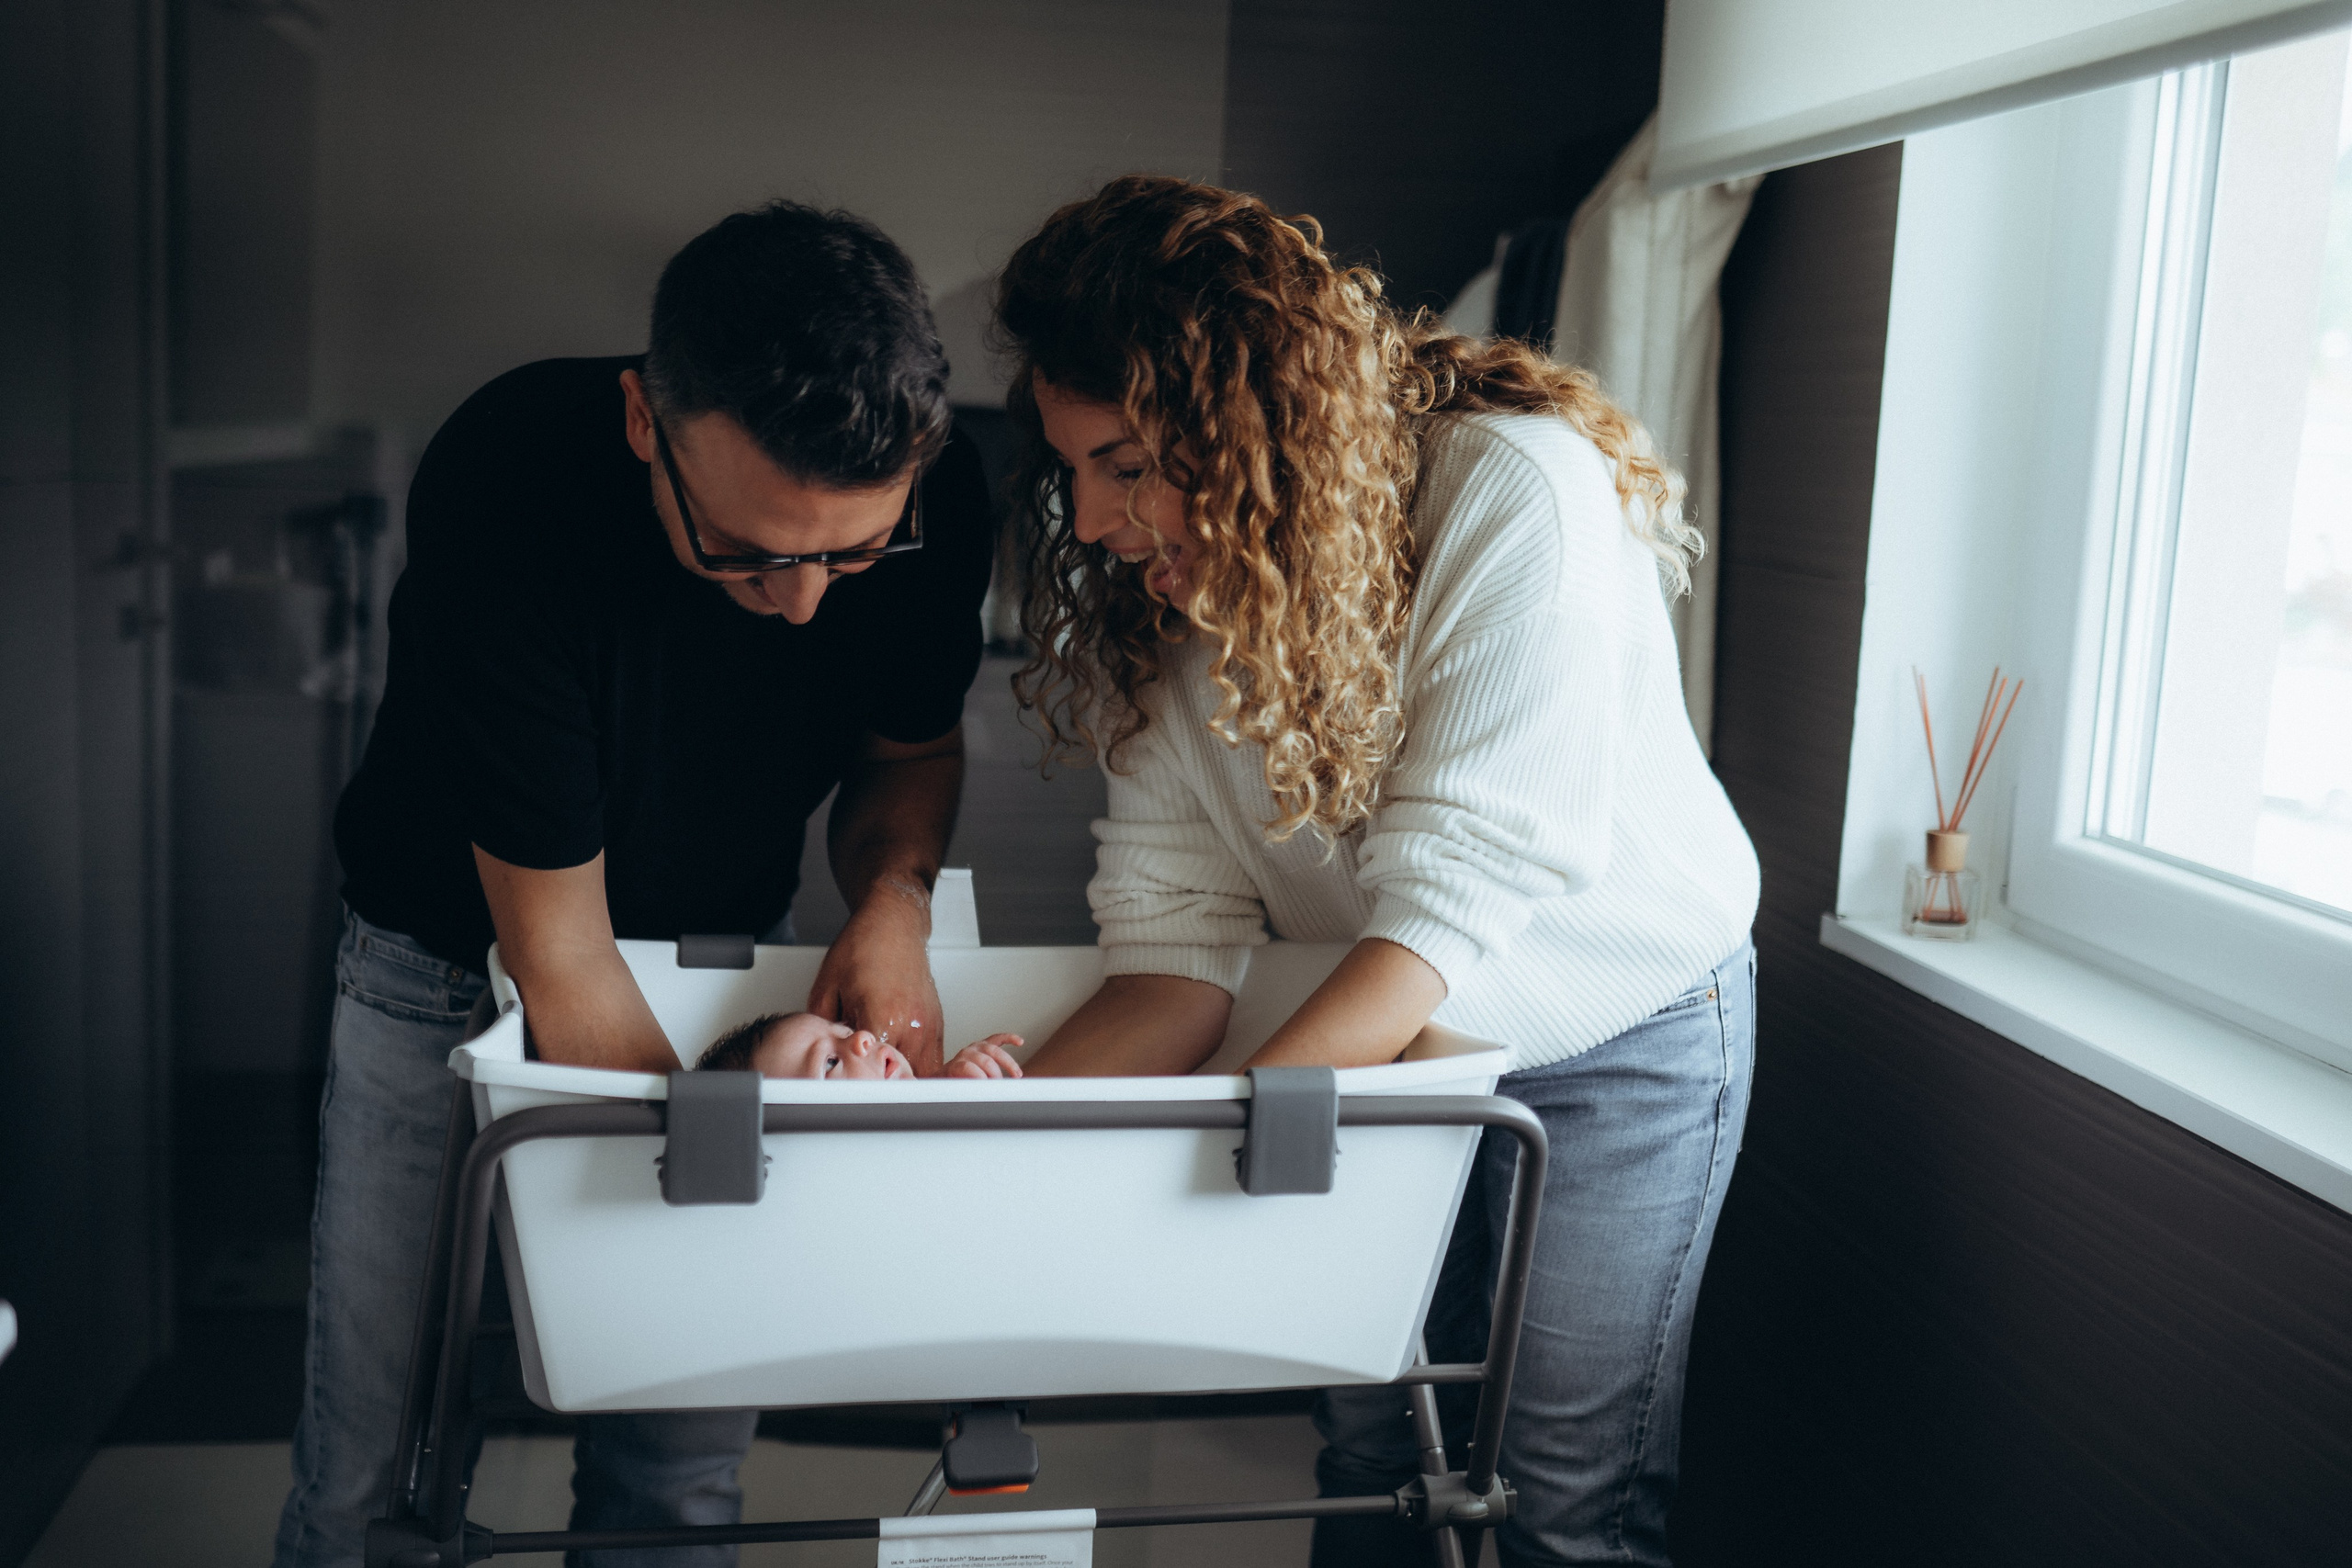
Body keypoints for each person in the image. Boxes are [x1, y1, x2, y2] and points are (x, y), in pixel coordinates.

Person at [994, 176, 1759, 1567]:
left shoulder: (1513, 492)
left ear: (1235, 420)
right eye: (1073, 474)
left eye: (1122, 462)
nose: (1095, 522)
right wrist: (976, 1145)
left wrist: (1244, 1140)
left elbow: (1444, 913)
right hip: (1364, 1023)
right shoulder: (1168, 609)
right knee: (1369, 1450)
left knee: (1556, 1492)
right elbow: (1171, 952)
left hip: (1611, 1022)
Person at [275, 201, 995, 1568]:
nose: (800, 604)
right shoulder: (511, 474)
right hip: (454, 965)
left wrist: (891, 904)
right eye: (746, 551)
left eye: (850, 554)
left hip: (732, 946)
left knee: (673, 1474)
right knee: (383, 1472)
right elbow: (566, 962)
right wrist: (711, 1216)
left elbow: (910, 747)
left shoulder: (942, 497)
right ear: (639, 423)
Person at [696, 1011, 1023, 1078]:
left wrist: (960, 1080)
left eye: (843, 1030)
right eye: (830, 1063)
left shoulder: (936, 1088)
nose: (861, 1038)